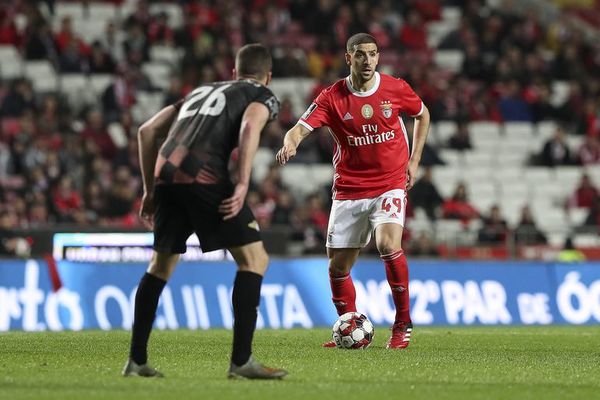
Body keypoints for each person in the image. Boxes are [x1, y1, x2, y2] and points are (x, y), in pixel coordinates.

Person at [123, 44, 287, 380]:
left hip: (166, 173)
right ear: (267, 75)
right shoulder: (263, 94)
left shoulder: (201, 91)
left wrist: (150, 190)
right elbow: (249, 128)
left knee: (161, 264)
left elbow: (147, 131)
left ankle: (136, 361)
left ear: (234, 72)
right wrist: (242, 184)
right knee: (254, 260)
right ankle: (242, 362)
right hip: (204, 175)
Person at [276, 33, 431, 349]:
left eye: (373, 54)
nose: (368, 60)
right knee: (337, 267)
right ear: (349, 58)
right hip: (349, 189)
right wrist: (289, 144)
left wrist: (414, 161)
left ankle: (402, 324)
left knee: (388, 244)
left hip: (389, 184)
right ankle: (349, 324)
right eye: (360, 54)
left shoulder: (395, 88)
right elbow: (300, 128)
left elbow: (422, 114)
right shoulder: (332, 97)